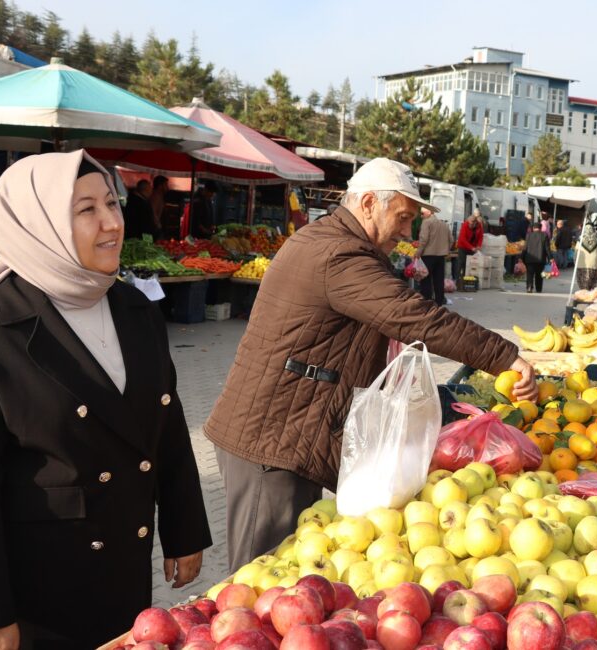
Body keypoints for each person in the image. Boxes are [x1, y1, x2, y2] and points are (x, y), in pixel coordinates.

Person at [0, 151, 211, 649]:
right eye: (86, 210)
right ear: (38, 225)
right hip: (29, 598)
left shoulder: (134, 309)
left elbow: (165, 420)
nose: (111, 223)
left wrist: (185, 529)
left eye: (111, 204)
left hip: (119, 572)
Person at [204, 158, 538, 569]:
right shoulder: (338, 255)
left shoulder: (341, 243)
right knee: (261, 575)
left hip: (290, 432)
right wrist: (503, 356)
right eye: (402, 217)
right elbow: (415, 317)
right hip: (271, 441)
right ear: (367, 204)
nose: (407, 232)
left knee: (287, 570)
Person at [417, 207, 450, 306]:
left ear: (429, 212)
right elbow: (451, 239)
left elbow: (423, 239)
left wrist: (418, 252)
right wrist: (445, 250)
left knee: (426, 279)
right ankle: (439, 302)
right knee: (439, 280)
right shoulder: (444, 224)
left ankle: (427, 302)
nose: (421, 216)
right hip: (441, 256)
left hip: (428, 255)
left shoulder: (426, 223)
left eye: (422, 213)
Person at [575, 213, 597, 291]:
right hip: (593, 263)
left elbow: (576, 250)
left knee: (582, 279)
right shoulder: (596, 238)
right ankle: (590, 290)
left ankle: (583, 291)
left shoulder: (581, 238)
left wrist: (575, 260)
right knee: (591, 279)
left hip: (582, 263)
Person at [456, 209, 484, 280]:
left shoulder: (479, 226)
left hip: (472, 247)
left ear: (475, 223)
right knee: (461, 262)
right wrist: (471, 247)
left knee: (469, 264)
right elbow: (462, 239)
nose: (470, 225)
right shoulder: (465, 225)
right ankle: (457, 279)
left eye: (471, 224)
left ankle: (466, 278)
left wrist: (479, 245)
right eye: (469, 223)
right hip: (463, 247)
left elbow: (481, 236)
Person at [523, 222, 550, 293]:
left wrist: (522, 257)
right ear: (540, 228)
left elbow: (525, 247)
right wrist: (550, 258)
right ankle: (538, 288)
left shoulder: (528, 235)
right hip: (541, 259)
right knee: (539, 274)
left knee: (530, 274)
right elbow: (547, 248)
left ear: (533, 228)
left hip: (529, 258)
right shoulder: (544, 235)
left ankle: (529, 287)